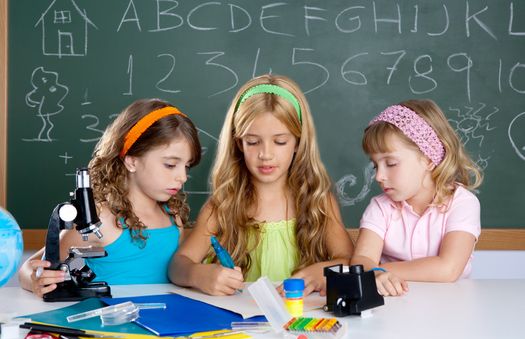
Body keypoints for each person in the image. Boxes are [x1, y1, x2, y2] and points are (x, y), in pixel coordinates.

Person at [170, 74, 354, 296]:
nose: (265, 154)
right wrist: (198, 275)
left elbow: (349, 262)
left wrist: (323, 271)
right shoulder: (223, 206)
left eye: (280, 141)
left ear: (298, 141)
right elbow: (178, 265)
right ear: (239, 143)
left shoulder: (318, 201)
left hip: (299, 320)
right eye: (253, 142)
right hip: (239, 323)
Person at [19, 98, 201, 297]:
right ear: (131, 161)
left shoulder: (173, 217)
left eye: (187, 166)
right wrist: (36, 279)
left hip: (165, 323)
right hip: (110, 324)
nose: (182, 177)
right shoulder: (102, 219)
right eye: (170, 165)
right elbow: (30, 268)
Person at [351, 100, 483, 297]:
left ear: (429, 159)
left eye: (391, 163)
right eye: (375, 166)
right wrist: (373, 270)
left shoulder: (462, 203)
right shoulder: (380, 207)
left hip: (450, 307)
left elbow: (448, 269)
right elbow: (361, 259)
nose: (379, 176)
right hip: (394, 305)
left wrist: (379, 270)